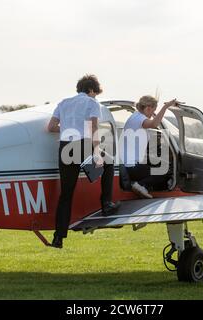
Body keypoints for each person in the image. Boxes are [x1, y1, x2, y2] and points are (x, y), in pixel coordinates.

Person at [47, 74, 120, 249]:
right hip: (83, 144)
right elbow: (94, 127)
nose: (96, 96)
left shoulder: (63, 103)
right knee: (109, 163)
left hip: (65, 147)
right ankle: (106, 204)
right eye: (96, 93)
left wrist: (66, 127)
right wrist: (95, 151)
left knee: (66, 194)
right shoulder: (92, 102)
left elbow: (51, 127)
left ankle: (58, 237)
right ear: (91, 90)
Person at [121, 95, 178, 199]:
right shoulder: (140, 118)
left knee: (156, 163)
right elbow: (154, 123)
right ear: (147, 108)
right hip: (132, 166)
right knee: (164, 170)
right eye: (153, 110)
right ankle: (142, 185)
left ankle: (143, 186)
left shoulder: (135, 116)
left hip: (129, 164)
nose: (153, 114)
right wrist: (166, 107)